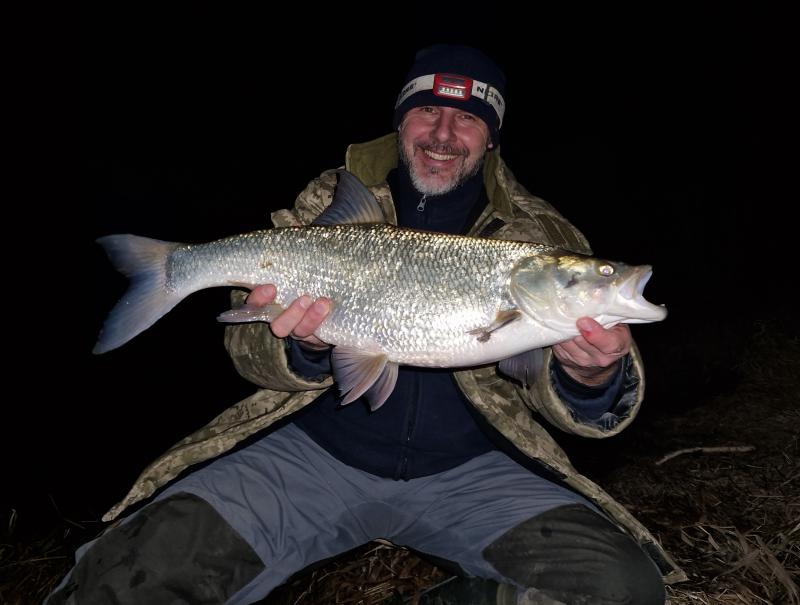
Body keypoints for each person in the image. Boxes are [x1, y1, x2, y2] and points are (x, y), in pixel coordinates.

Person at [50, 44, 684, 604]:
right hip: (309, 454)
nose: (444, 133)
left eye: (468, 118)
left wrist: (591, 376)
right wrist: (303, 348)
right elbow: (245, 348)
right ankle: (171, 270)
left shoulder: (539, 236)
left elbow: (577, 405)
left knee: (620, 588)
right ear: (401, 120)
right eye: (427, 111)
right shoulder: (331, 198)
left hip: (476, 471)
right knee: (124, 578)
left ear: (491, 138)